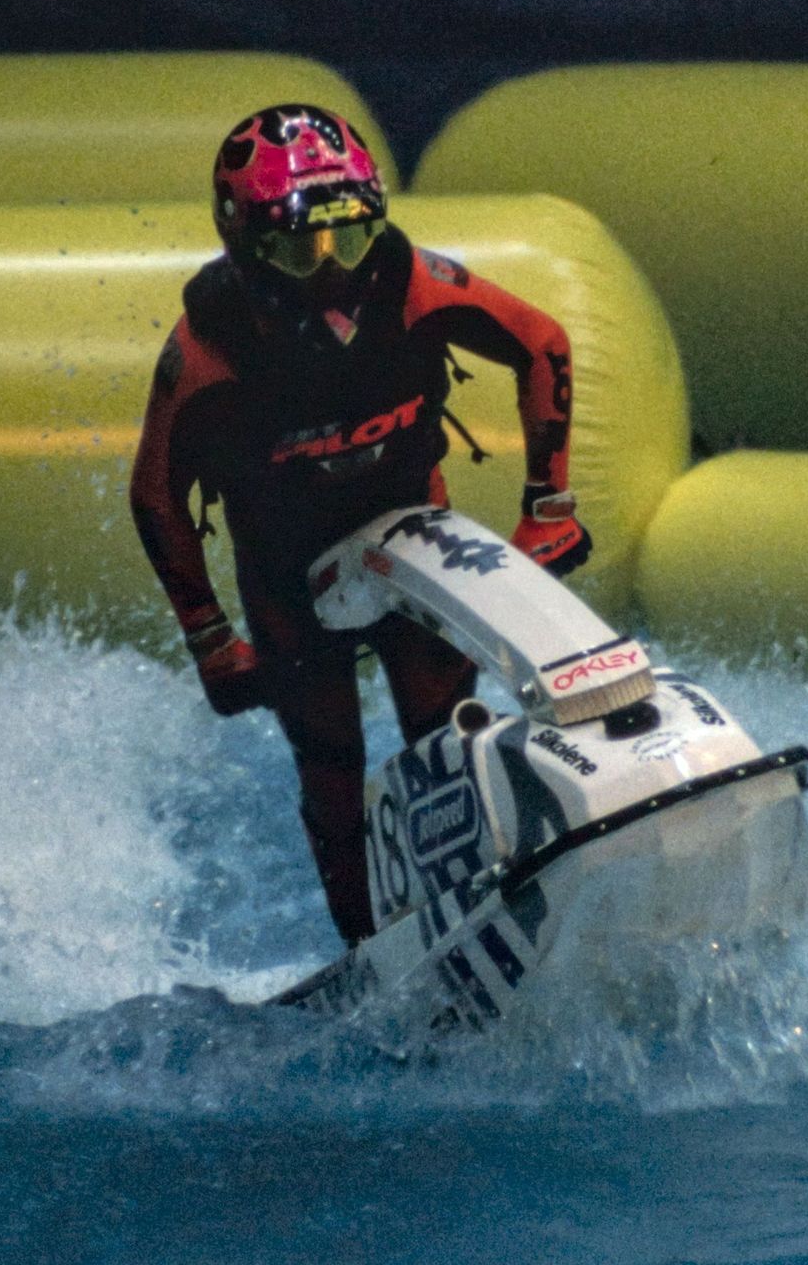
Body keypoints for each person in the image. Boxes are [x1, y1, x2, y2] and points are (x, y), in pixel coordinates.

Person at [129, 104, 592, 946]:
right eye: (303, 248)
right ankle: (367, 951)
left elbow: (543, 341)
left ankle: (497, 894)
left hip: (415, 543)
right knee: (332, 767)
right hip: (286, 582)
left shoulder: (413, 281)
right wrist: (209, 639)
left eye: (353, 236)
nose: (334, 272)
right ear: (244, 247)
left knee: (444, 734)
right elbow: (156, 494)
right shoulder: (202, 352)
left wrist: (549, 507)